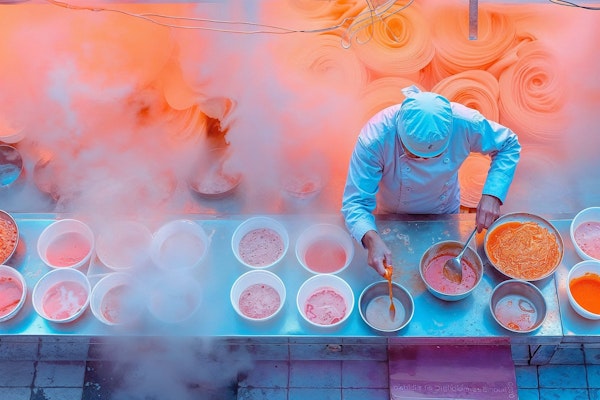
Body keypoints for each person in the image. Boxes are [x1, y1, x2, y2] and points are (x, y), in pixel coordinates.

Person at [341, 86, 521, 277]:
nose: (424, 162)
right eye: (414, 155)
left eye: (431, 156)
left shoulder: (465, 123)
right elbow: (355, 203)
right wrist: (371, 238)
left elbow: (508, 144)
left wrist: (493, 194)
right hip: (393, 215)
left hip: (444, 212)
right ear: (400, 133)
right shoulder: (375, 139)